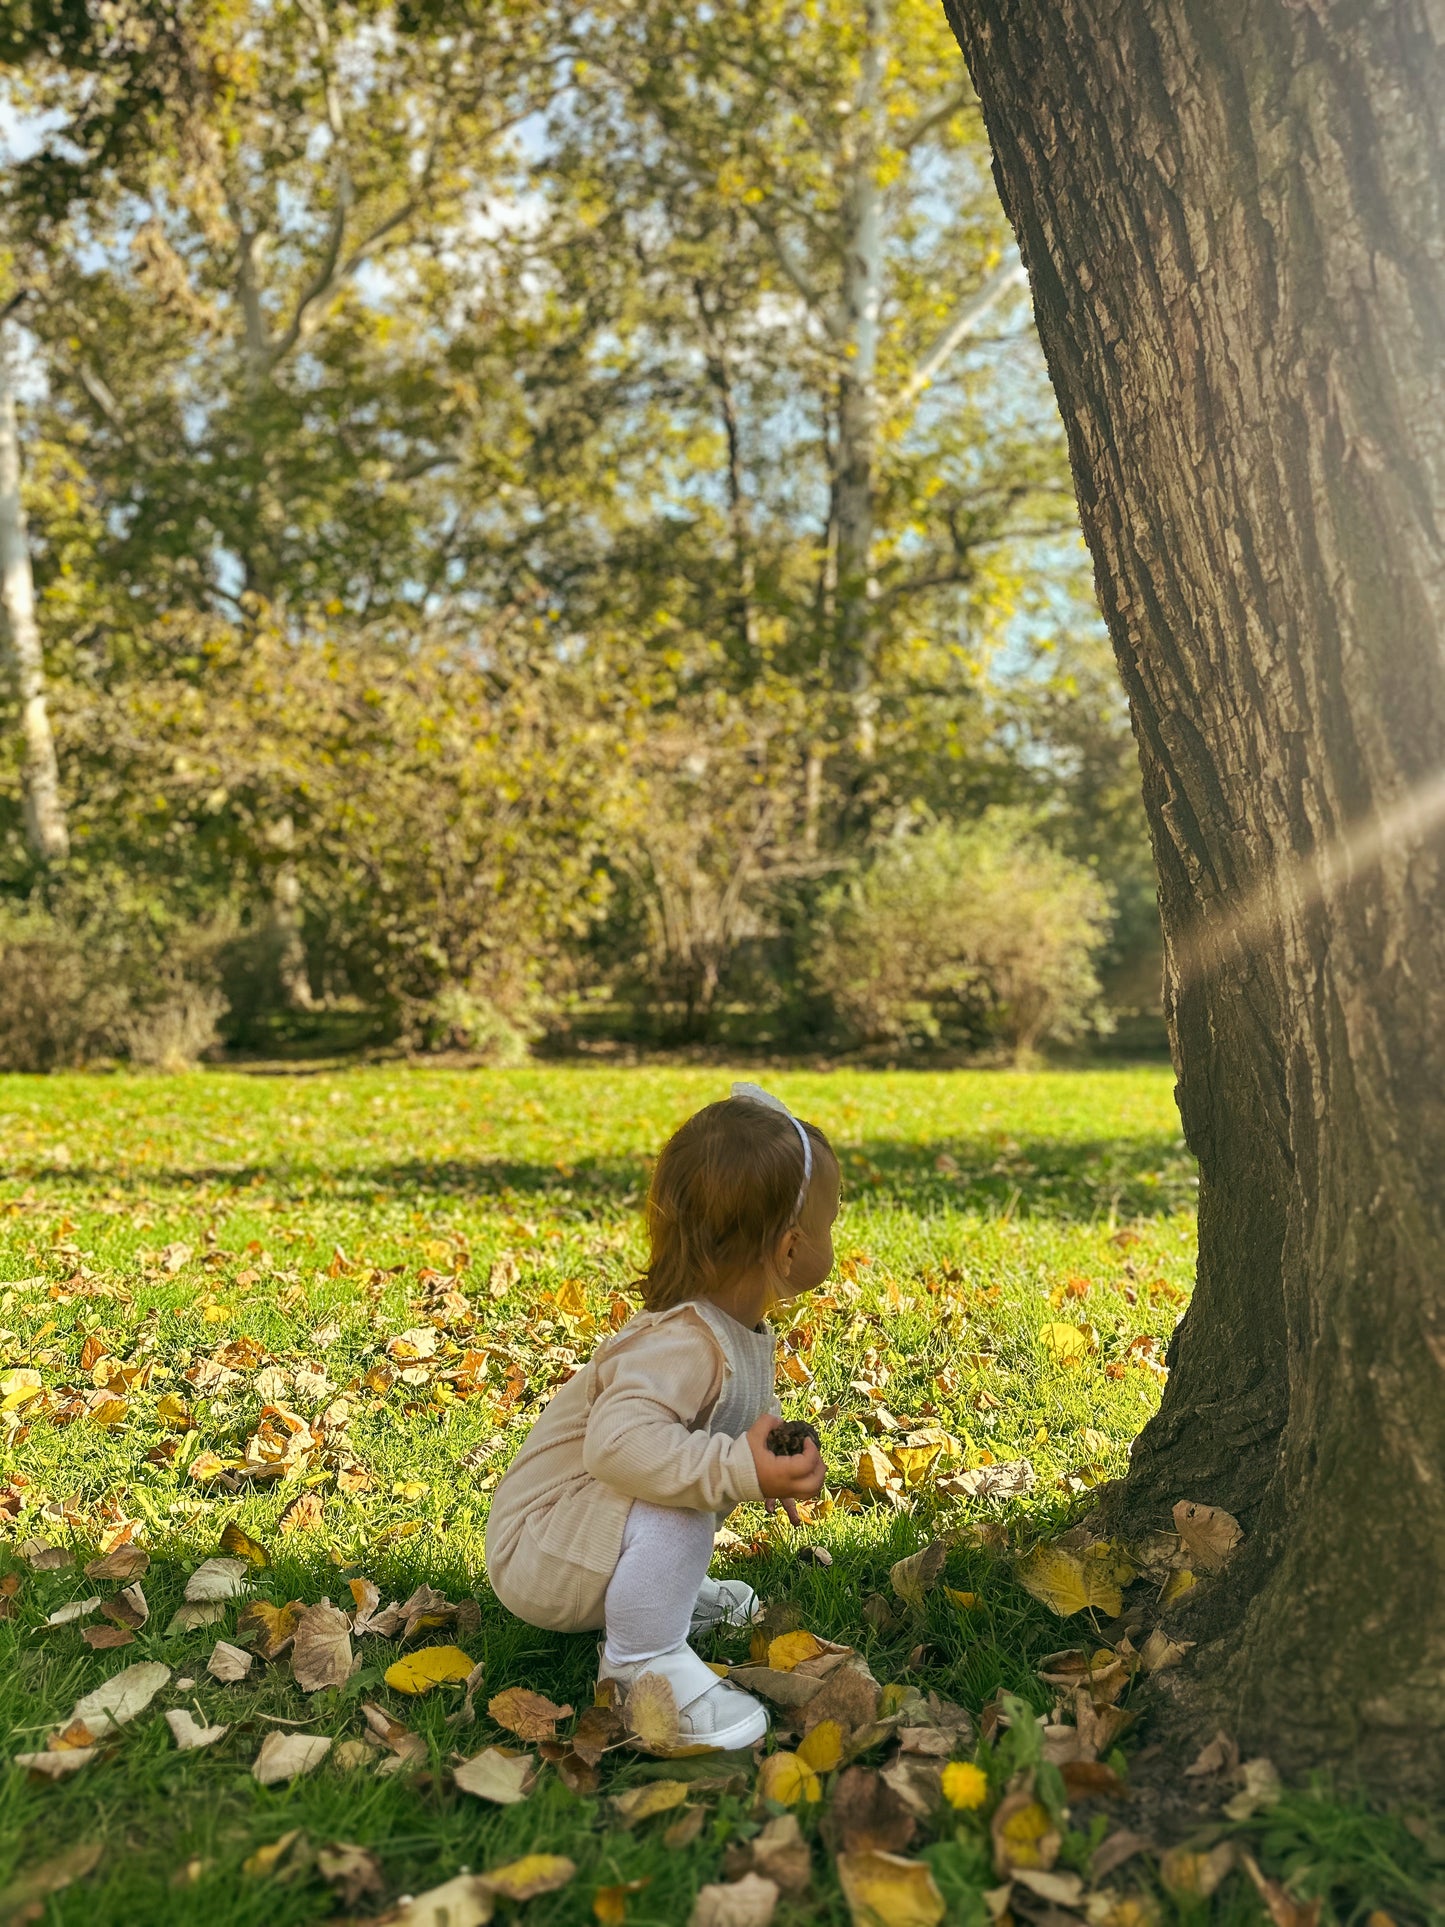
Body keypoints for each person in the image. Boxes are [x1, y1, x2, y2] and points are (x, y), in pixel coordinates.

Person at [484, 1084, 838, 1751]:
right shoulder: (680, 1341)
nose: (832, 1238)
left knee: (686, 1480)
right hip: (540, 1550)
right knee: (676, 1496)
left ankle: (655, 1595)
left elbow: (740, 1414)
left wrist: (775, 1459)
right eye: (829, 1225)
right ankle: (640, 1666)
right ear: (790, 1249)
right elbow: (617, 1448)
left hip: (575, 1539)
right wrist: (739, 1467)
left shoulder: (729, 1325)